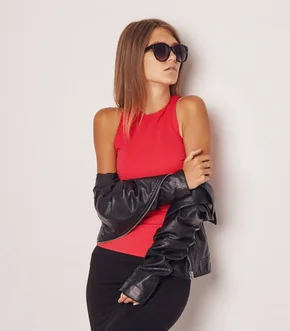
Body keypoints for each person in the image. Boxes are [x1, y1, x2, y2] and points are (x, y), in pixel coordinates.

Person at [85, 18, 218, 331]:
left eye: (177, 51)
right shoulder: (107, 120)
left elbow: (194, 203)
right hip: (108, 263)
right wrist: (177, 180)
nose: (172, 58)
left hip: (165, 265)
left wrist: (150, 273)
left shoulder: (188, 109)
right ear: (133, 56)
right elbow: (107, 205)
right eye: (161, 50)